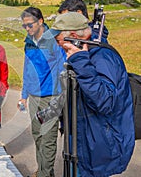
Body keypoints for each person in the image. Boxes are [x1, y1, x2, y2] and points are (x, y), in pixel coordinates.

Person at [44, 12, 135, 176]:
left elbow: (105, 101)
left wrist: (80, 61)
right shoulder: (84, 55)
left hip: (97, 147)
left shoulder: (102, 58)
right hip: (83, 142)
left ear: (72, 36)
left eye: (58, 40)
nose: (57, 45)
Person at [19, 7, 66, 177]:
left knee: (48, 138)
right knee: (37, 135)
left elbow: (63, 69)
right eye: (24, 26)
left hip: (51, 95)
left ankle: (45, 174)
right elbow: (27, 69)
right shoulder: (28, 42)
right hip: (33, 96)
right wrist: (24, 95)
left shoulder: (54, 41)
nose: (27, 29)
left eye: (30, 25)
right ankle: (42, 171)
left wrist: (61, 97)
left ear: (40, 21)